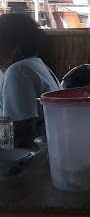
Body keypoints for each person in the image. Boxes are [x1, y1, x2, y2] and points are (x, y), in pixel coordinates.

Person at [0, 13, 59, 147]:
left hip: (30, 159)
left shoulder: (18, 72)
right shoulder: (35, 64)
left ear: (13, 44)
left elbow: (22, 134)